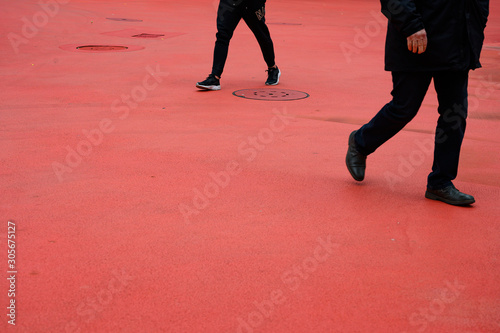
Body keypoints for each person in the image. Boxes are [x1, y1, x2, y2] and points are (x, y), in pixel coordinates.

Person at [346, 0, 489, 206]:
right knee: (404, 108)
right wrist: (410, 25)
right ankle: (360, 143)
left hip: (457, 38)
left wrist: (476, 24)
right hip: (416, 37)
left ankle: (441, 183)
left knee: (455, 113)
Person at [196, 0, 280, 91]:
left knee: (261, 35)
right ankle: (215, 77)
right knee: (222, 35)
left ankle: (272, 68)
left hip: (252, 3)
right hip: (229, 2)